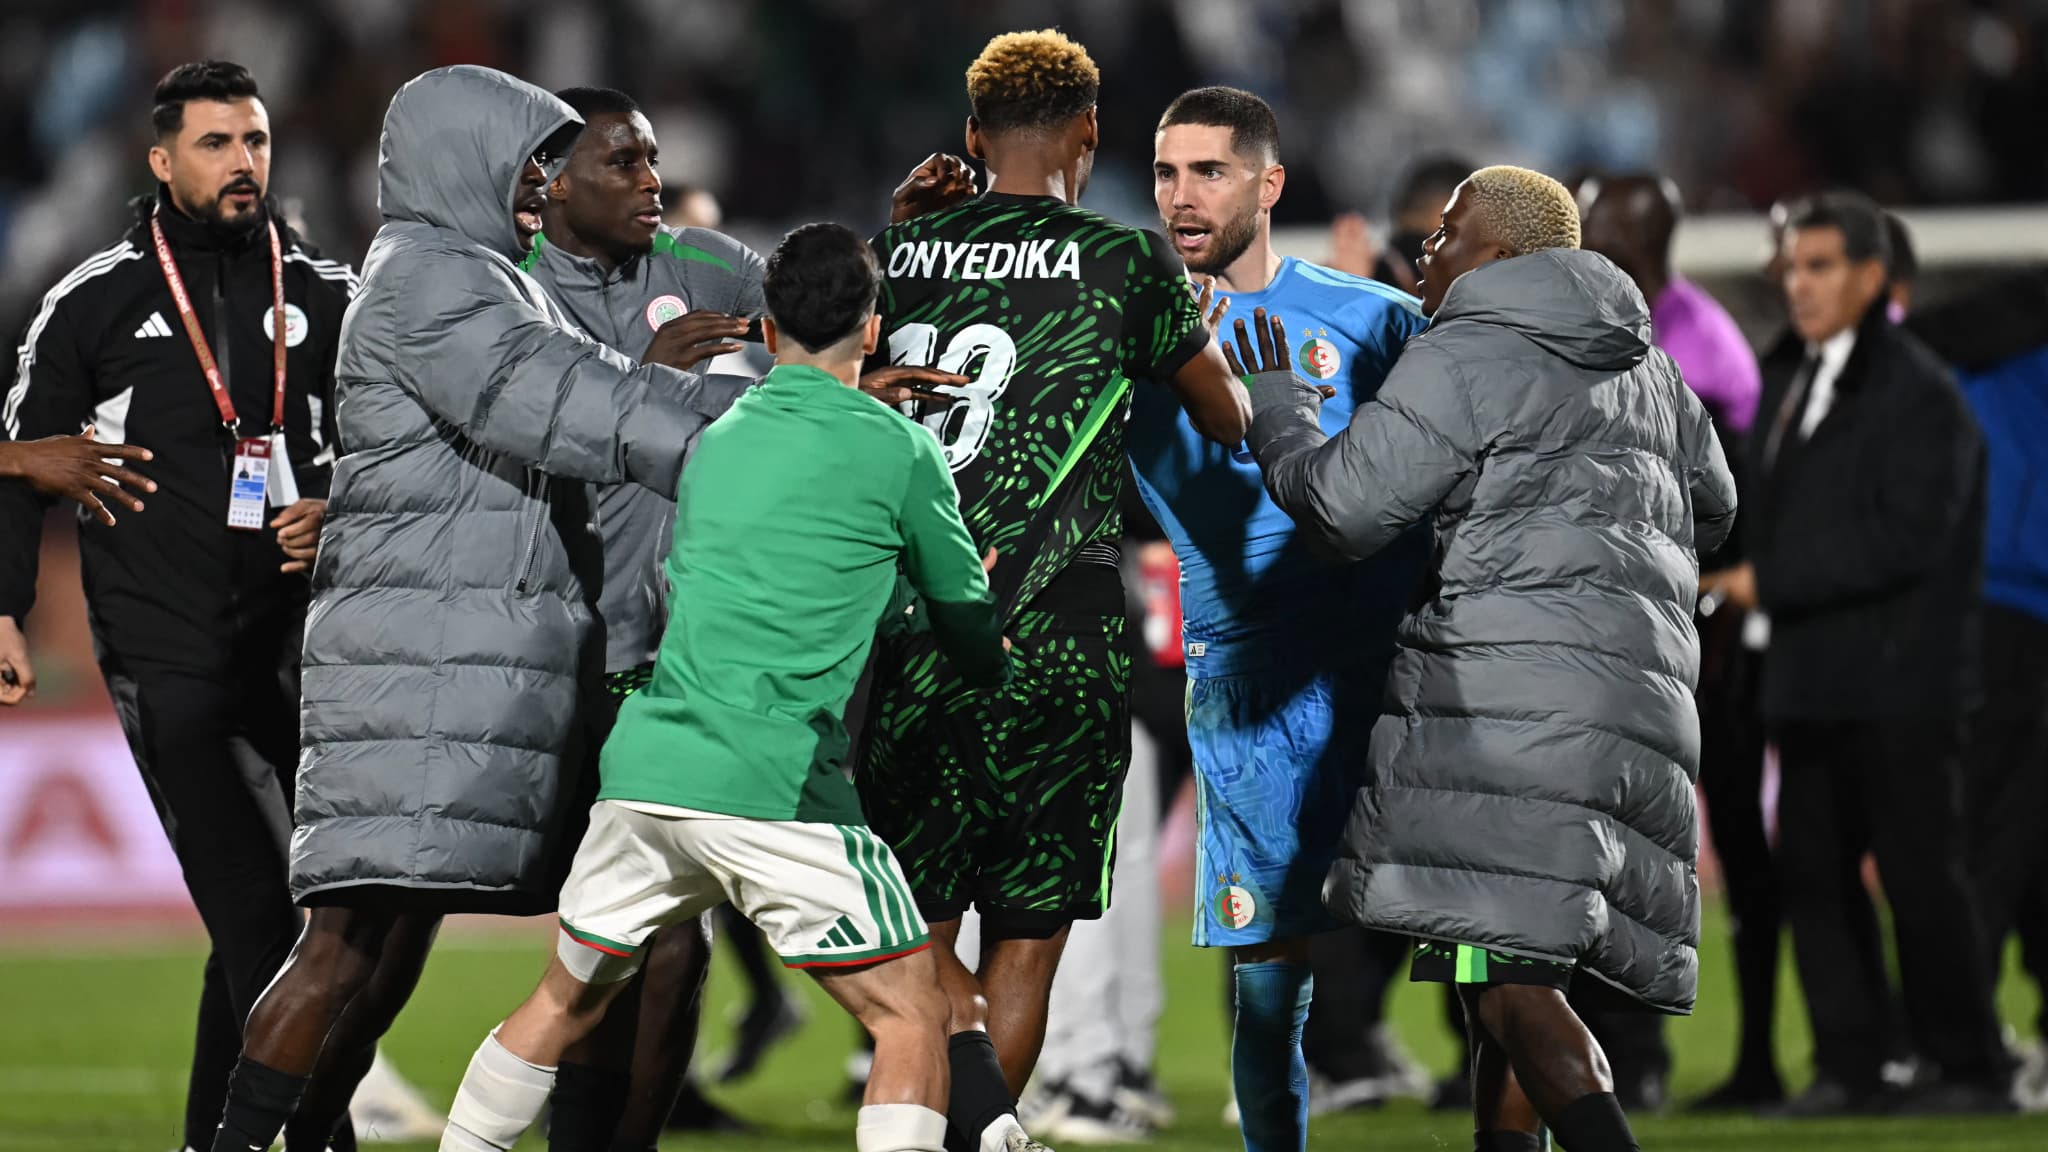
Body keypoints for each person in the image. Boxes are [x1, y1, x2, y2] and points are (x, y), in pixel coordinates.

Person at [208, 65, 751, 1152]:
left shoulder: (482, 279)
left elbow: (593, 391)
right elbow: (585, 406)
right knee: (351, 947)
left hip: (466, 662)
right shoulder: (434, 284)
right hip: (423, 663)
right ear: (465, 161)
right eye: (529, 162)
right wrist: (794, 430)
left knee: (592, 935)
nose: (540, 187)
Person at [439, 220, 1011, 1152]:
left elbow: (773, 582)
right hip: (776, 780)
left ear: (768, 327)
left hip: (651, 774)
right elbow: (967, 624)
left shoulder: (716, 439)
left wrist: (893, 605)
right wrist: (981, 635)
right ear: (872, 334)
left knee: (561, 1001)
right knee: (913, 1014)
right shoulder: (901, 449)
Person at [1239, 164, 1736, 1152]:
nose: (1427, 250)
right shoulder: (1646, 362)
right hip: (1637, 707)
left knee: (1508, 991)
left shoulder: (1470, 346)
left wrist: (1278, 410)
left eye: (1446, 235)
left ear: (1501, 255)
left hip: (1505, 708)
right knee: (1497, 976)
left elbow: (1344, 506)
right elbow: (1714, 509)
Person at [860, 28, 1251, 1152]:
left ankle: (960, 1116)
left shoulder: (911, 251)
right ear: (1091, 132)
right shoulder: (1127, 264)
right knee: (1027, 939)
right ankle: (987, 1125)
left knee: (921, 929)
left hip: (921, 622)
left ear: (972, 137)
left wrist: (903, 223)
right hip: (1067, 638)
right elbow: (1224, 418)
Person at [0, 60, 373, 1152]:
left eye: (254, 141)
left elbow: (398, 454)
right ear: (161, 162)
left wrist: (340, 504)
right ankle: (317, 1139)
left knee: (297, 920)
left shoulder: (328, 294)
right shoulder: (96, 298)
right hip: (164, 659)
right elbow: (21, 463)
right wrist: (5, 608)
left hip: (299, 648)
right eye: (215, 144)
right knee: (261, 920)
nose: (243, 162)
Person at [1120, 85, 1428, 1152]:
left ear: (1268, 182)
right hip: (1246, 690)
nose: (1181, 195)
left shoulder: (1373, 321)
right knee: (1267, 976)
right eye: (1164, 172)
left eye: (1208, 170)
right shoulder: (1134, 345)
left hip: (1387, 676)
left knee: (1483, 943)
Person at [1700, 190, 2010, 1116]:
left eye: (1821, 266)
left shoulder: (1922, 393)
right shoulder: (1796, 375)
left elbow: (1906, 537)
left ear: (1873, 278)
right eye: (1791, 267)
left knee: (1920, 881)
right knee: (1815, 879)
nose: (1798, 285)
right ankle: (1852, 1064)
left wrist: (1767, 580)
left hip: (1903, 684)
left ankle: (1969, 1066)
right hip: (1811, 678)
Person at [514, 83, 768, 1143]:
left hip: (670, 664)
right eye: (621, 162)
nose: (649, 181)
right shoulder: (503, 291)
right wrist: (631, 381)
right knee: (576, 937)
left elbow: (835, 306)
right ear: (549, 182)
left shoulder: (704, 267)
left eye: (652, 158)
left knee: (669, 937)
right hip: (543, 656)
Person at [1577, 171, 1769, 1111]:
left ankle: (1679, 1054)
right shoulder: (1593, 323)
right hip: (1604, 635)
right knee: (1594, 852)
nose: (1597, 243)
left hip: (1698, 644)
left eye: (1613, 230)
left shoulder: (1706, 349)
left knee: (1667, 852)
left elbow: (1731, 506)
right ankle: (1592, 1051)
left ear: (1657, 241)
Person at [1907, 259, 2048, 1110]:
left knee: (1994, 830)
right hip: (2002, 608)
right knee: (2001, 828)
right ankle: (1967, 1045)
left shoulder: (1982, 334)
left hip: (1996, 606)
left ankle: (1967, 1049)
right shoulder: (2010, 332)